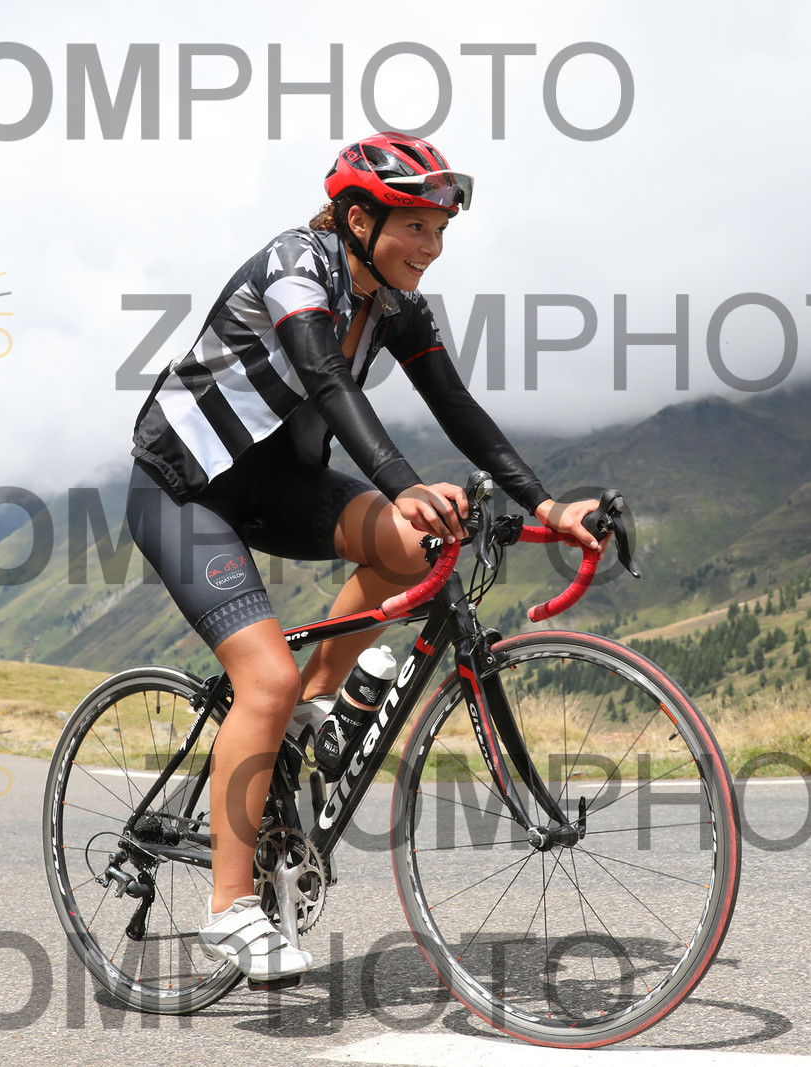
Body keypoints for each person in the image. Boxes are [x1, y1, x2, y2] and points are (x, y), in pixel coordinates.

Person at [124, 133, 603, 980]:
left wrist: (547, 505)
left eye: (440, 230)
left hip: (278, 484)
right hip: (186, 489)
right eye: (416, 226)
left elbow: (458, 407)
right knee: (262, 678)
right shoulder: (295, 267)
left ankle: (313, 705)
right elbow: (326, 380)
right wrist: (403, 482)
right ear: (357, 219)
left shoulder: (395, 307)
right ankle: (230, 908)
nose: (432, 246)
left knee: (416, 545)